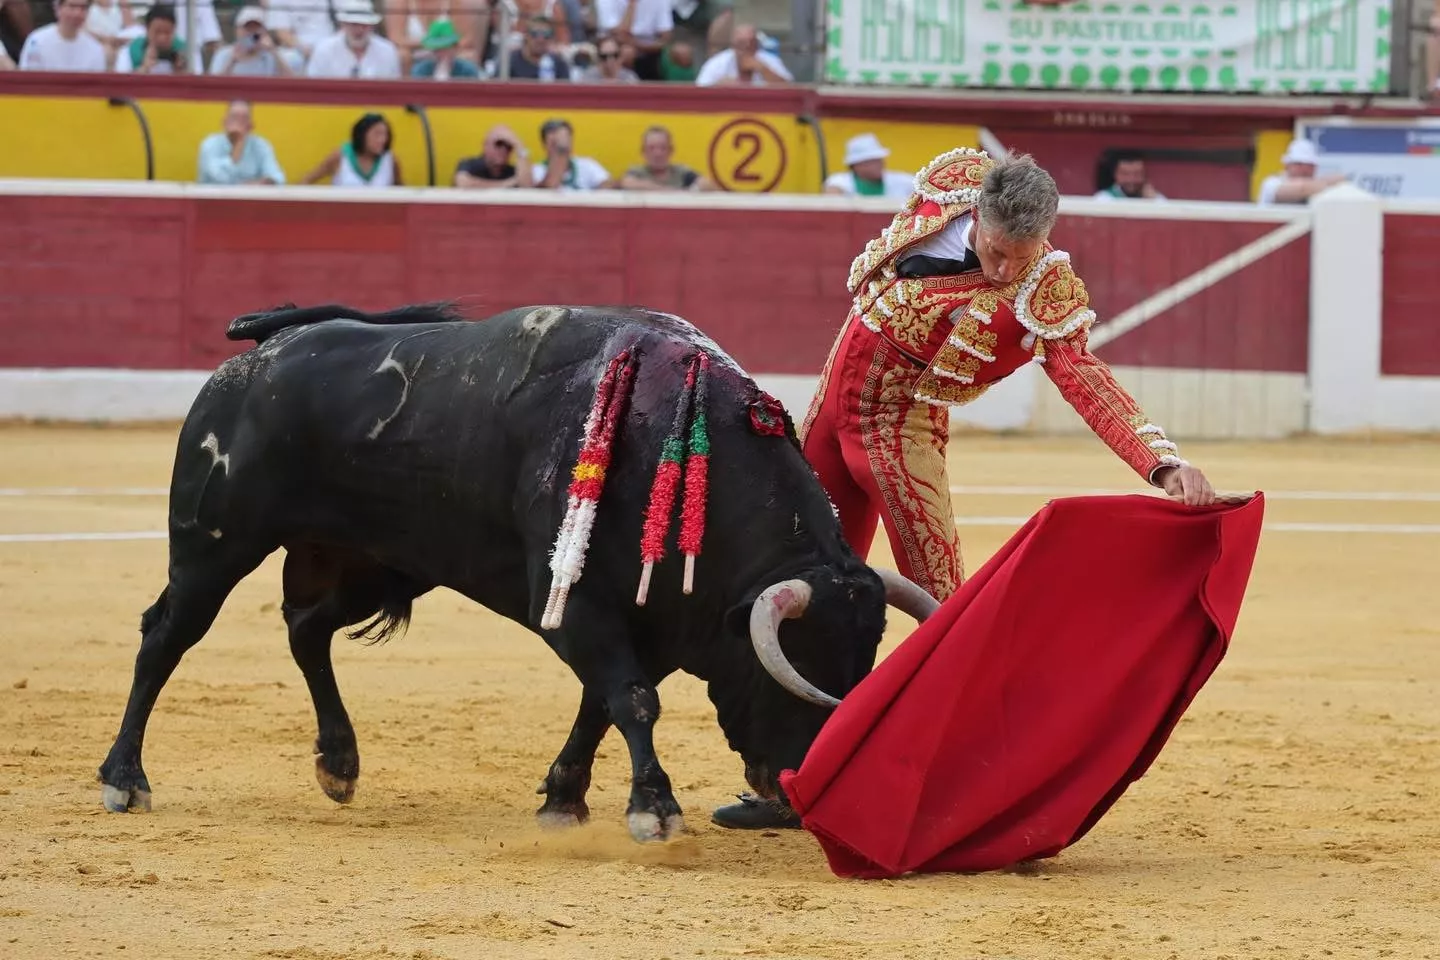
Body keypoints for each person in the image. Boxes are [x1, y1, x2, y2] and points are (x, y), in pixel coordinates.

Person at [710, 148, 1218, 831]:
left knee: (943, 609)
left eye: (1021, 255)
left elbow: (1084, 377)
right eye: (997, 251)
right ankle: (791, 781)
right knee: (802, 590)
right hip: (830, 413)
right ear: (976, 213)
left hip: (901, 430)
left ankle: (961, 784)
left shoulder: (1044, 285)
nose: (1005, 271)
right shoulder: (948, 183)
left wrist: (1159, 463)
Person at [197, 99, 286, 185]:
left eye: (244, 119)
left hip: (251, 198)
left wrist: (261, 183)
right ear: (224, 122)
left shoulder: (261, 145)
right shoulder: (210, 144)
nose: (238, 123)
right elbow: (220, 179)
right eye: (234, 117)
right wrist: (239, 143)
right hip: (213, 199)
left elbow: (277, 178)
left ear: (251, 125)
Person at [301, 113, 402, 187]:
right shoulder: (340, 156)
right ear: (362, 134)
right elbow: (307, 180)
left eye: (385, 134)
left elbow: (400, 191)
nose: (382, 140)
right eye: (377, 134)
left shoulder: (390, 159)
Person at [823, 133, 912, 200]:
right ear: (856, 166)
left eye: (879, 160)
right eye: (872, 162)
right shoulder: (840, 182)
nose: (879, 164)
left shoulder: (902, 181)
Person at [1258, 138, 1347, 205]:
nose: (1304, 170)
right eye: (1298, 164)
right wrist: (1330, 184)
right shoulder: (1272, 183)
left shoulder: (1317, 184)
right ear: (1287, 165)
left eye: (1309, 166)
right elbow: (1301, 189)